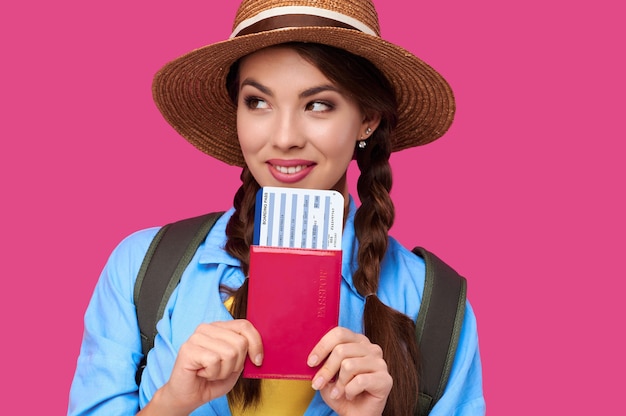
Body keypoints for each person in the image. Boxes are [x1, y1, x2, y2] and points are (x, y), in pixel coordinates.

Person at [68, 0, 485, 415]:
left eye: (319, 104)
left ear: (368, 119)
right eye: (258, 102)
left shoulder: (438, 307)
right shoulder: (143, 268)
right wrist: (172, 403)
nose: (284, 137)